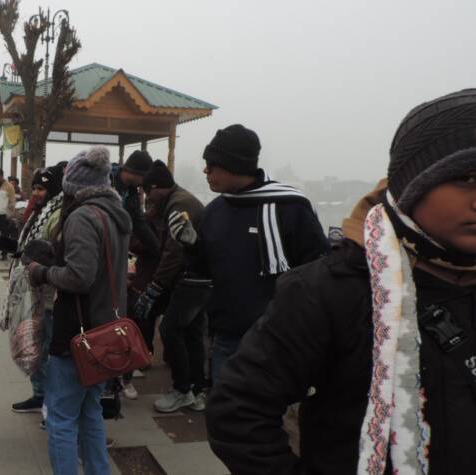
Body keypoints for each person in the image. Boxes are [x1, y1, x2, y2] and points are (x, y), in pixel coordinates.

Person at [206, 89, 476, 474]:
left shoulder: (290, 207)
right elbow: (238, 412)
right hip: (246, 329)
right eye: (466, 177)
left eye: (212, 165)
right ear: (412, 182)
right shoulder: (334, 292)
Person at [185, 124, 328, 385]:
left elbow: (318, 275)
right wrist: (191, 245)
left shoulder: (291, 208)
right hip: (226, 339)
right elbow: (203, 271)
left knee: (266, 410)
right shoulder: (214, 211)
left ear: (233, 165)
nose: (206, 171)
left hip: (277, 342)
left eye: (212, 164)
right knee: (223, 408)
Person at [28, 147, 131, 475]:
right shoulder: (115, 213)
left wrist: (42, 272)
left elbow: (79, 276)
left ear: (73, 186)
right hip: (106, 329)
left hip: (78, 330)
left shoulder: (83, 217)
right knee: (89, 412)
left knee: (60, 417)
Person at [133, 161, 207, 413]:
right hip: (200, 279)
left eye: (148, 192)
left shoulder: (179, 205)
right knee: (193, 333)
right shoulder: (176, 201)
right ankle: (197, 389)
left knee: (170, 329)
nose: (147, 198)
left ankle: (182, 390)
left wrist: (155, 286)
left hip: (191, 279)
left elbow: (173, 253)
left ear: (156, 187)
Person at [0, 164, 65, 414]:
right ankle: (40, 395)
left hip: (47, 294)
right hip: (32, 290)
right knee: (34, 346)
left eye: (41, 188)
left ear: (53, 189)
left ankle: (51, 403)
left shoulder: (57, 214)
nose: (36, 193)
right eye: (34, 188)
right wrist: (16, 249)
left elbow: (52, 252)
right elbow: (31, 246)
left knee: (45, 349)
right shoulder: (39, 212)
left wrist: (30, 257)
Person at [112, 150, 161, 399]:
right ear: (133, 172)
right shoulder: (105, 182)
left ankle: (123, 376)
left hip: (120, 258)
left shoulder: (132, 194)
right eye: (144, 178)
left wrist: (157, 248)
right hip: (99, 258)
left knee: (125, 318)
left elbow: (139, 223)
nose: (145, 185)